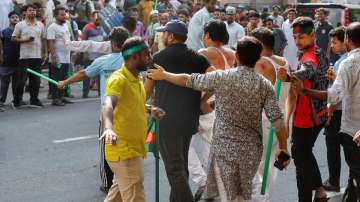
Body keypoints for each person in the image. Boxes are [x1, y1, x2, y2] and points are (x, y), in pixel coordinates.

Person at [147, 36, 289, 202]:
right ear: (258, 58)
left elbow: (188, 79)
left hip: (224, 149)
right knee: (249, 190)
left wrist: (164, 75)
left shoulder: (222, 77)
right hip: (250, 150)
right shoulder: (264, 85)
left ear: (237, 56)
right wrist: (284, 148)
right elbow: (278, 122)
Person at [145, 20, 213, 202]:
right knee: (181, 166)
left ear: (171, 36)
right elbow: (216, 80)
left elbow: (146, 91)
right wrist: (203, 100)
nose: (163, 36)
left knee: (175, 170)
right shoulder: (197, 58)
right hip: (189, 119)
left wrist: (144, 106)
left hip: (166, 119)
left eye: (165, 33)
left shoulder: (159, 58)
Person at [57, 27, 129, 193]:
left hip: (108, 114)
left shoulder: (104, 61)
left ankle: (108, 184)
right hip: (129, 112)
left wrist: (64, 83)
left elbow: (83, 73)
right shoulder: (134, 60)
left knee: (107, 149)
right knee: (126, 147)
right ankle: (124, 180)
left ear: (112, 43)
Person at [295, 22, 360, 202]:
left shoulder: (349, 62)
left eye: (301, 36)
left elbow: (334, 94)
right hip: (352, 127)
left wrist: (305, 91)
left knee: (356, 173)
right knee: (354, 175)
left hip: (353, 129)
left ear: (348, 39)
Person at [101, 36, 163, 202]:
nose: (150, 57)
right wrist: (108, 128)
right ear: (135, 57)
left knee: (117, 196)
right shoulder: (118, 79)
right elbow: (108, 105)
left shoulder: (136, 78)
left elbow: (134, 103)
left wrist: (150, 109)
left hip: (132, 149)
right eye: (147, 54)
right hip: (124, 151)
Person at [187, 20, 235, 201]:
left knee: (184, 146)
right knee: (212, 151)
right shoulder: (232, 54)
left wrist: (204, 99)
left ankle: (204, 182)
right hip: (223, 107)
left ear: (207, 35)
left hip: (205, 108)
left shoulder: (204, 53)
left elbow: (213, 82)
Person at [286, 17, 330, 202]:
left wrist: (290, 76)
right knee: (303, 152)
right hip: (317, 113)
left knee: (300, 159)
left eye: (302, 37)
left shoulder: (310, 55)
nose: (297, 41)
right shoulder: (315, 50)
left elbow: (308, 70)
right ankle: (319, 191)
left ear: (312, 35)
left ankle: (305, 198)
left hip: (308, 116)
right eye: (295, 37)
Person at [251, 27, 290, 202]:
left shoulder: (261, 63)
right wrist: (287, 121)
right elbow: (292, 95)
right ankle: (265, 198)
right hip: (280, 119)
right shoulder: (283, 61)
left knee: (257, 168)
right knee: (271, 168)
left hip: (265, 120)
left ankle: (262, 199)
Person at [317, 26, 347, 193]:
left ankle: (334, 180)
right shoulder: (343, 60)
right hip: (347, 110)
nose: (332, 46)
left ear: (347, 42)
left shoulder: (344, 62)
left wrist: (330, 112)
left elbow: (338, 91)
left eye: (335, 42)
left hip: (339, 111)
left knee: (334, 147)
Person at [11, 3, 48, 108]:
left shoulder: (40, 24)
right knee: (22, 80)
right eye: (30, 10)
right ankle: (17, 100)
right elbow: (13, 38)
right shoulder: (20, 24)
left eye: (34, 10)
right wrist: (25, 40)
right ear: (25, 12)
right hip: (25, 57)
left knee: (36, 80)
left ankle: (34, 99)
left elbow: (43, 39)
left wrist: (45, 52)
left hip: (37, 56)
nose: (33, 12)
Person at [47, 6, 73, 106]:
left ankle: (61, 96)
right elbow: (50, 42)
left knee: (63, 78)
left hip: (66, 57)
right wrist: (53, 56)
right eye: (61, 15)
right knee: (55, 78)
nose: (64, 16)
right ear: (55, 15)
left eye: (65, 14)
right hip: (57, 58)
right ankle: (55, 98)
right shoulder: (52, 27)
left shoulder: (66, 25)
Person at [0, 11, 20, 112]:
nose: (15, 19)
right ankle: (1, 100)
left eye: (17, 17)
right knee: (4, 82)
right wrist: (1, 56)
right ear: (9, 19)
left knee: (17, 82)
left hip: (18, 60)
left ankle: (16, 100)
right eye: (13, 17)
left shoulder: (21, 32)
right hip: (6, 60)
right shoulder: (4, 32)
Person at [82, 11, 105, 98]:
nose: (99, 19)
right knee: (87, 74)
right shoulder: (87, 28)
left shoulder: (102, 28)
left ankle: (100, 92)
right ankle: (85, 93)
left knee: (100, 75)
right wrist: (85, 53)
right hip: (90, 56)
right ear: (92, 17)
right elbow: (84, 42)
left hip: (99, 56)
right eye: (97, 17)